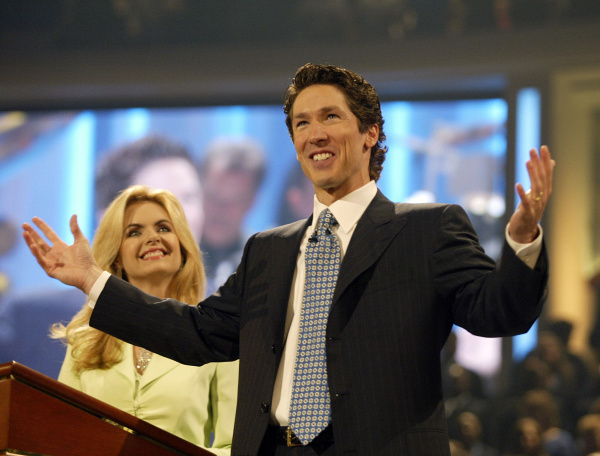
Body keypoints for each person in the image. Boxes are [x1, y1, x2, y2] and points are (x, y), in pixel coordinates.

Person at [22, 63, 555, 455]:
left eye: (330, 117)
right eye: (301, 123)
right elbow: (198, 333)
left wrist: (522, 239)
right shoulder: (268, 249)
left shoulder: (427, 229)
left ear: (370, 133)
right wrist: (93, 280)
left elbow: (499, 313)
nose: (314, 133)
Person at [0, 135, 205, 379]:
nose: (179, 217)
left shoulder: (230, 319)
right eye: (156, 203)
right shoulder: (32, 319)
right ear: (109, 218)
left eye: (188, 198)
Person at [52, 185, 238, 454]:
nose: (152, 238)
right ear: (117, 258)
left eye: (164, 228)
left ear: (183, 249)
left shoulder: (216, 335)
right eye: (134, 232)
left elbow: (234, 446)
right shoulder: (83, 342)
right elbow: (60, 438)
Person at [199, 137, 265, 294]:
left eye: (235, 200)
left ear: (252, 201)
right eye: (213, 196)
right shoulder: (170, 254)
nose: (220, 209)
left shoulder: (267, 264)